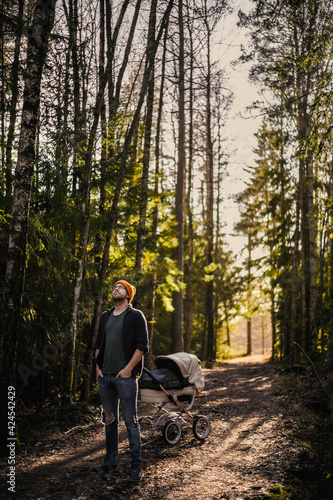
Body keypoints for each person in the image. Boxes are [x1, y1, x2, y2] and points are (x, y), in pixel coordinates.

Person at [90, 280, 149, 482]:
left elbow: (142, 346)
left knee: (131, 422)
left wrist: (128, 370)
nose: (116, 289)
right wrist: (98, 366)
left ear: (128, 294)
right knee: (109, 421)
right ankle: (110, 461)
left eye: (121, 287)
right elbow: (98, 343)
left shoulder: (135, 316)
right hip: (105, 377)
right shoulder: (105, 316)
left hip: (125, 378)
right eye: (114, 287)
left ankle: (136, 466)